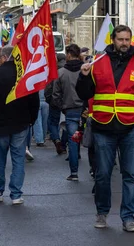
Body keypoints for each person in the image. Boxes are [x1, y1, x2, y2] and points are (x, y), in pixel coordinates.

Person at [76, 25, 134, 232]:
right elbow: (84, 94)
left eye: (127, 39)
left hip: (131, 129)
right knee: (102, 174)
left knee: (131, 175)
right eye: (120, 39)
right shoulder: (97, 63)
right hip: (103, 127)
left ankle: (128, 217)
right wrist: (83, 76)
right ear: (113, 40)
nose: (124, 43)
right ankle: (102, 213)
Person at [0, 45, 39, 205]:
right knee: (18, 159)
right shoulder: (24, 75)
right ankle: (16, 194)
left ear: (3, 57)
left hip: (0, 122)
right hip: (21, 122)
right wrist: (32, 120)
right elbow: (33, 100)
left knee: (0, 158)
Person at [53, 44, 84, 181]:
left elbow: (55, 95)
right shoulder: (87, 70)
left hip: (70, 110)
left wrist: (62, 108)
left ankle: (74, 172)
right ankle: (95, 171)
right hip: (86, 110)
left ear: (69, 55)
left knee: (73, 141)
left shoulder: (61, 73)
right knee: (94, 141)